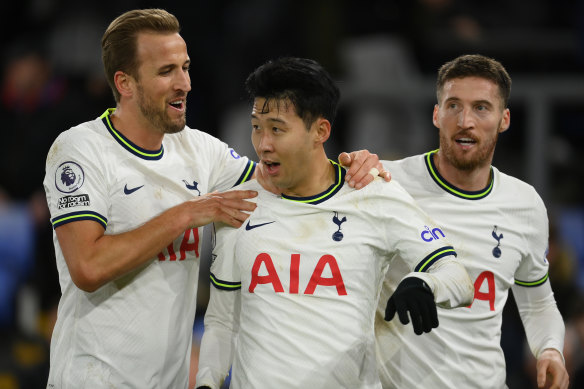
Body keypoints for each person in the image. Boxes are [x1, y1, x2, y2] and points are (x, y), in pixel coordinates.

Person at [42, 9, 383, 389]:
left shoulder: (200, 151)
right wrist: (188, 213)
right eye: (166, 71)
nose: (184, 83)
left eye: (185, 67)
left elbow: (288, 179)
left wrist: (359, 166)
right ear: (125, 82)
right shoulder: (80, 150)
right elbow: (88, 268)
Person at [194, 56, 473, 389]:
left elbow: (457, 276)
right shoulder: (239, 204)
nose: (264, 144)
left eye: (277, 129)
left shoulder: (373, 192)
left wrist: (427, 285)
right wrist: (207, 382)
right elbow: (224, 321)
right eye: (257, 127)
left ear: (320, 131)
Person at [356, 54, 570, 389]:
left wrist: (550, 349)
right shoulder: (384, 181)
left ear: (504, 119)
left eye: (481, 107)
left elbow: (538, 302)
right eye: (453, 105)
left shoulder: (525, 204)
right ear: (436, 114)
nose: (465, 120)